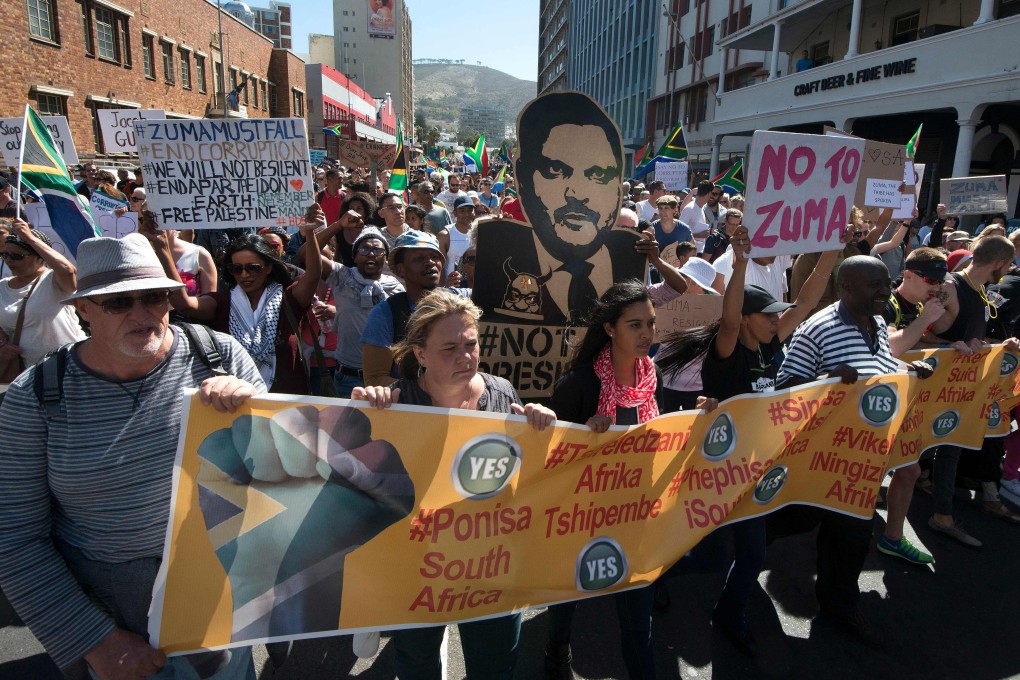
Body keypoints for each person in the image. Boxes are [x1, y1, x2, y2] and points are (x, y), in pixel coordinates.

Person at [0, 233, 264, 679]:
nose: (142, 314)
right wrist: (94, 640)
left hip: (219, 598)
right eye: (119, 302)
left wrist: (256, 417)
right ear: (83, 309)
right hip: (112, 614)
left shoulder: (220, 357)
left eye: (154, 297)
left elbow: (279, 474)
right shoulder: (36, 397)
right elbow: (15, 538)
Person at [656, 225, 845, 654]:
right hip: (716, 467)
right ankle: (654, 577)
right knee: (707, 555)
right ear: (746, 320)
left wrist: (832, 250)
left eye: (780, 316)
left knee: (752, 554)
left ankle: (729, 612)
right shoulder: (729, 351)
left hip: (754, 468)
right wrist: (740, 263)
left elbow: (809, 300)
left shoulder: (770, 345)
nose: (779, 320)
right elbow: (728, 314)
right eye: (770, 315)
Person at [353, 290, 555, 680]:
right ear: (420, 354)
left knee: (495, 665)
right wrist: (364, 418)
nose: (465, 356)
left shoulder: (502, 394)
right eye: (449, 348)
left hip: (490, 566)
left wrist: (541, 429)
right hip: (418, 570)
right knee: (417, 662)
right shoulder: (396, 404)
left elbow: (524, 477)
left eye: (471, 344)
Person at [768, 256, 934, 644]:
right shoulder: (818, 330)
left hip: (859, 462)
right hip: (817, 459)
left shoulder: (876, 320)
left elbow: (877, 368)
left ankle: (840, 605)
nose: (885, 292)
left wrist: (907, 369)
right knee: (779, 524)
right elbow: (782, 390)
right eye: (875, 285)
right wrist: (824, 379)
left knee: (852, 538)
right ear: (846, 288)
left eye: (886, 283)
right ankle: (708, 564)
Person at [544, 280, 664, 680]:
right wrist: (583, 433)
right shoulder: (581, 384)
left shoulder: (651, 377)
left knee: (637, 616)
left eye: (649, 323)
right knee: (568, 591)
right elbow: (551, 454)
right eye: (634, 325)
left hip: (634, 514)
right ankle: (556, 651)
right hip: (582, 516)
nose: (646, 334)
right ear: (610, 329)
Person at [472, 91, 645, 325]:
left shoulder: (634, 253)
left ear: (618, 189)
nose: (578, 194)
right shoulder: (499, 254)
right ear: (523, 179)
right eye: (555, 170)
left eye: (599, 174)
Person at [145, 214, 322, 394]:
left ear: (268, 267)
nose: (244, 274)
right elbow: (184, 303)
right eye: (237, 269)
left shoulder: (288, 298)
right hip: (236, 403)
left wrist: (310, 232)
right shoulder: (223, 302)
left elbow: (313, 276)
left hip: (287, 405)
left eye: (253, 268)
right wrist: (162, 248)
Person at [920, 235, 1020, 543]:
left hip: (962, 386)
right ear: (999, 263)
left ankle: (942, 514)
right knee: (923, 445)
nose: (1010, 268)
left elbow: (969, 336)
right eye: (1009, 263)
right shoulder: (950, 287)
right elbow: (923, 330)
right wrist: (951, 344)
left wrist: (998, 345)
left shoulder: (980, 289)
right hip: (937, 385)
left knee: (951, 447)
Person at [874, 248, 949, 565]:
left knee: (908, 469)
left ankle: (891, 538)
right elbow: (893, 347)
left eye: (941, 280)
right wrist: (925, 320)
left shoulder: (918, 304)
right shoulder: (887, 304)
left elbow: (920, 341)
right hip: (874, 402)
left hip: (900, 401)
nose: (936, 286)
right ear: (908, 275)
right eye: (931, 279)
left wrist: (952, 346)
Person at [361, 230, 469, 386]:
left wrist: (502, 230)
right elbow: (375, 379)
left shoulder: (461, 299)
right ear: (400, 270)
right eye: (419, 258)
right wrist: (433, 391)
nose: (430, 262)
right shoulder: (385, 314)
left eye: (435, 257)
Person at [308, 226, 403, 397]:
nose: (371, 254)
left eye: (377, 249)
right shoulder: (342, 276)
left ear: (386, 257)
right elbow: (306, 253)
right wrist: (337, 224)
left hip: (384, 379)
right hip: (348, 378)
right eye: (365, 249)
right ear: (355, 256)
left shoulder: (395, 287)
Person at [0, 221, 84, 370]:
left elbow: (68, 270)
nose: (9, 260)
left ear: (39, 257)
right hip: (26, 373)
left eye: (17, 256)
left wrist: (29, 237)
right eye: (5, 254)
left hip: (68, 365)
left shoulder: (54, 280)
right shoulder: (2, 286)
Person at [438, 196, 476, 282]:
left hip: (476, 287)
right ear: (455, 213)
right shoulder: (445, 235)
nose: (466, 214)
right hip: (452, 289)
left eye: (470, 210)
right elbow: (440, 267)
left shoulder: (480, 231)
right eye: (462, 210)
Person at [679, 181, 714, 254]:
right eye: (712, 193)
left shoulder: (701, 207)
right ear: (709, 194)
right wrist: (700, 235)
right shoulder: (690, 209)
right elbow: (679, 231)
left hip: (699, 251)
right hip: (688, 254)